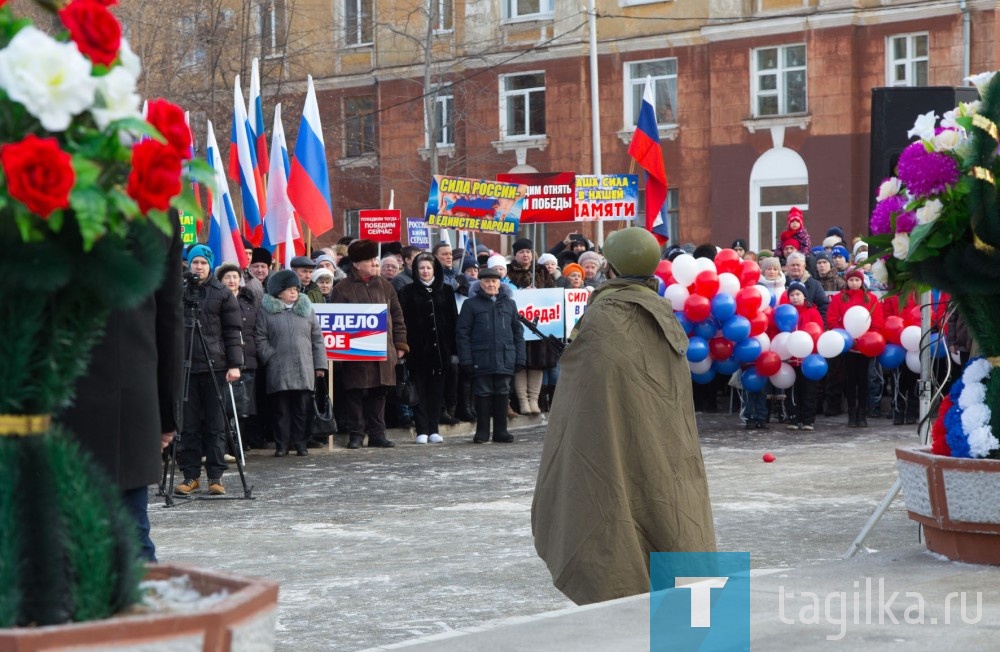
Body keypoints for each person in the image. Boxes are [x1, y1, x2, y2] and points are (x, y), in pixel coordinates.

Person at [532, 227, 716, 606]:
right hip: (662, 442)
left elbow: (584, 388)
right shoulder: (662, 311)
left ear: (612, 268)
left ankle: (625, 601)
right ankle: (689, 621)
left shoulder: (605, 314)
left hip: (609, 442)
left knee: (615, 506)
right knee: (668, 511)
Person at [62, 214, 183, 562]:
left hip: (45, 394)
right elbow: (169, 317)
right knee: (130, 543)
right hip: (127, 398)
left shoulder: (38, 188)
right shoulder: (155, 205)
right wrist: (165, 413)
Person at [175, 244, 243, 496]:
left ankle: (216, 476)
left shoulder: (222, 293)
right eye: (195, 263)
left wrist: (235, 364)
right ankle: (190, 476)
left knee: (216, 424)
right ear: (189, 264)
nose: (199, 267)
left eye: (203, 263)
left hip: (215, 365)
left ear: (210, 265)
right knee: (188, 425)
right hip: (186, 367)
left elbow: (232, 332)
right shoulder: (180, 291)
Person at [329, 239, 409, 449]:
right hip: (356, 352)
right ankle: (356, 434)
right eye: (370, 260)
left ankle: (377, 434)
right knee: (355, 393)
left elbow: (397, 315)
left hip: (383, 349)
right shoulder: (342, 288)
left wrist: (400, 344)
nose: (375, 263)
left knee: (379, 393)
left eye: (375, 259)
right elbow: (338, 322)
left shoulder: (385, 284)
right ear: (356, 264)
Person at [255, 269, 327, 456]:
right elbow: (260, 338)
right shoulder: (266, 313)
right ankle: (282, 445)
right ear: (279, 292)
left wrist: (320, 365)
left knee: (302, 410)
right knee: (280, 411)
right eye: (289, 289)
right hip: (278, 369)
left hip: (304, 367)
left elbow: (317, 339)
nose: (294, 292)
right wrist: (271, 356)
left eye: (296, 288)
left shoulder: (307, 311)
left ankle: (300, 444)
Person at [456, 267, 524, 443]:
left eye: (494, 281)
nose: (491, 284)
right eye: (487, 281)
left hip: (505, 355)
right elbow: (462, 334)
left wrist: (520, 357)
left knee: (503, 391)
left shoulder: (509, 304)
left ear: (499, 283)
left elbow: (518, 333)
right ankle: (482, 431)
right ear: (481, 284)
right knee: (483, 392)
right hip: (481, 357)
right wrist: (466, 360)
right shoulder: (470, 304)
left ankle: (501, 431)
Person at [398, 253, 459, 444]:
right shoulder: (407, 291)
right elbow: (402, 321)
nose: (425, 271)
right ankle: (421, 429)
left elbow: (453, 321)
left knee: (436, 392)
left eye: (428, 268)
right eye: (421, 268)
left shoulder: (446, 290)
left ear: (435, 270)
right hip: (417, 351)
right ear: (416, 270)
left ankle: (434, 428)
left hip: (440, 351)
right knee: (419, 392)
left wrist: (454, 351)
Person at [827, 268, 884, 427]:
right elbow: (832, 320)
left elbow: (877, 322)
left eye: (857, 280)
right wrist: (846, 336)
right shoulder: (839, 299)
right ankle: (852, 413)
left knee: (864, 379)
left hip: (865, 346)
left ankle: (862, 413)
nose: (854, 283)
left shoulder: (871, 299)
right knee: (850, 379)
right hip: (848, 346)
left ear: (862, 282)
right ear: (847, 281)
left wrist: (867, 337)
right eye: (851, 280)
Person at [507, 238, 556, 414]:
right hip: (518, 325)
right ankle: (523, 401)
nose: (525, 255)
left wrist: (539, 294)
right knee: (521, 364)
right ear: (515, 255)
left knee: (537, 363)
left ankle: (534, 400)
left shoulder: (541, 271)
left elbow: (552, 293)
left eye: (528, 251)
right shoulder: (508, 272)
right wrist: (522, 294)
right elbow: (504, 293)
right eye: (521, 252)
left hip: (539, 325)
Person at [216, 262, 261, 452]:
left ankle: (239, 445)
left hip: (247, 360)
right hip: (224, 360)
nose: (232, 280)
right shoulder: (217, 301)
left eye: (235, 277)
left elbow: (256, 330)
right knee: (225, 406)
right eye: (228, 277)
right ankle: (225, 446)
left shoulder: (248, 302)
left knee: (243, 408)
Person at [776, 281, 825, 431]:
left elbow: (818, 332)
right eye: (792, 295)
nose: (795, 297)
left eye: (798, 294)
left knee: (808, 389)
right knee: (792, 389)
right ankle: (793, 417)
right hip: (790, 360)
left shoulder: (812, 312)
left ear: (805, 296)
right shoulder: (785, 312)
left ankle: (808, 419)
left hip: (808, 360)